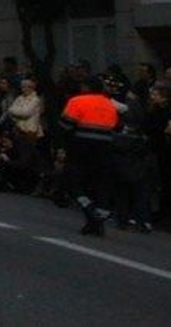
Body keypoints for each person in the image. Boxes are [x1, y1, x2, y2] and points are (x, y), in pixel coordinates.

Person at [59, 75, 120, 237]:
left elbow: (65, 125)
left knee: (74, 183)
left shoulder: (77, 101)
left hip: (80, 148)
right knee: (97, 184)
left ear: (85, 87)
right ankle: (96, 220)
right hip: (105, 149)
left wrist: (63, 146)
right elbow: (114, 127)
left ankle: (89, 210)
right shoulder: (109, 105)